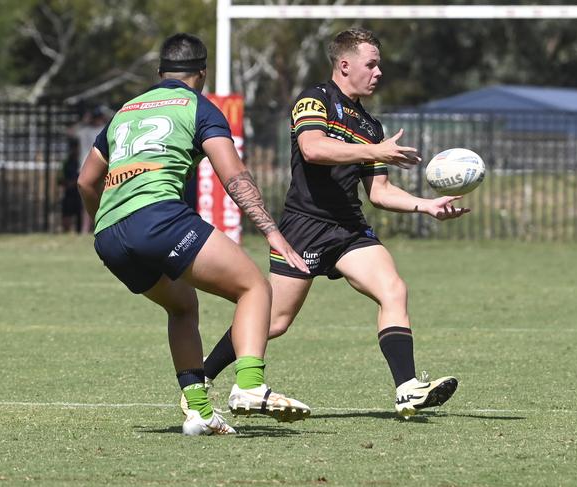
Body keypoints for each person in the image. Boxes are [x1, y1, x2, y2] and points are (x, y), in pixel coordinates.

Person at [201, 28, 470, 419]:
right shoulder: (315, 101)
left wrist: (425, 205)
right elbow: (312, 149)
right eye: (371, 64)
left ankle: (407, 389)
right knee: (274, 321)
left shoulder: (370, 124)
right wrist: (373, 150)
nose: (378, 72)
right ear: (345, 65)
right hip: (305, 225)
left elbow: (379, 192)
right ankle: (202, 376)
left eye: (379, 65)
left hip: (348, 228)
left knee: (393, 289)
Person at [77, 33, 311, 436]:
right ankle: (251, 386)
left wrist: (107, 222)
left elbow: (85, 181)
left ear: (159, 72)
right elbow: (233, 175)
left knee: (182, 306)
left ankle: (199, 411)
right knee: (254, 287)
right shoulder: (198, 107)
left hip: (110, 235)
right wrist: (272, 231)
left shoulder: (125, 111)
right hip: (160, 218)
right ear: (201, 73)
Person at [75, 106, 109, 233]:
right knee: (100, 199)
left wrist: (84, 121)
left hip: (84, 168)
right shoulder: (99, 129)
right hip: (100, 167)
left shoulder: (84, 130)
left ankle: (86, 228)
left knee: (88, 200)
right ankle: (94, 227)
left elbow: (71, 132)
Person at [58, 137, 81, 232]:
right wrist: (69, 183)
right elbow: (59, 179)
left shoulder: (83, 161)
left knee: (81, 217)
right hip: (69, 194)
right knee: (66, 218)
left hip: (80, 195)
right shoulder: (66, 162)